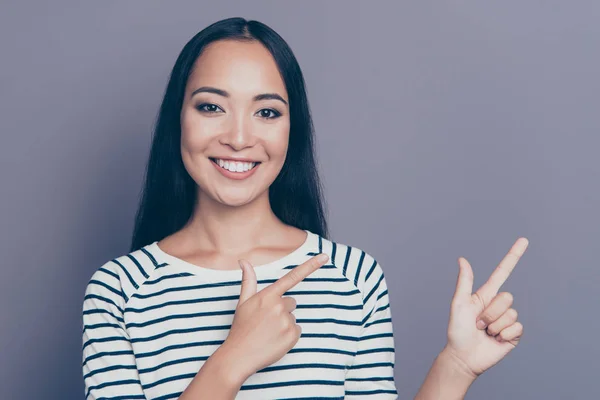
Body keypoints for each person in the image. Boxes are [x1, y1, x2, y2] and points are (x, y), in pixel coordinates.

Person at [82, 17, 527, 400]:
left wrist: (457, 366)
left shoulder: (354, 278)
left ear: (292, 131)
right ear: (178, 118)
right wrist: (232, 360)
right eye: (212, 106)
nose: (239, 137)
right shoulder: (119, 291)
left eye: (267, 113)